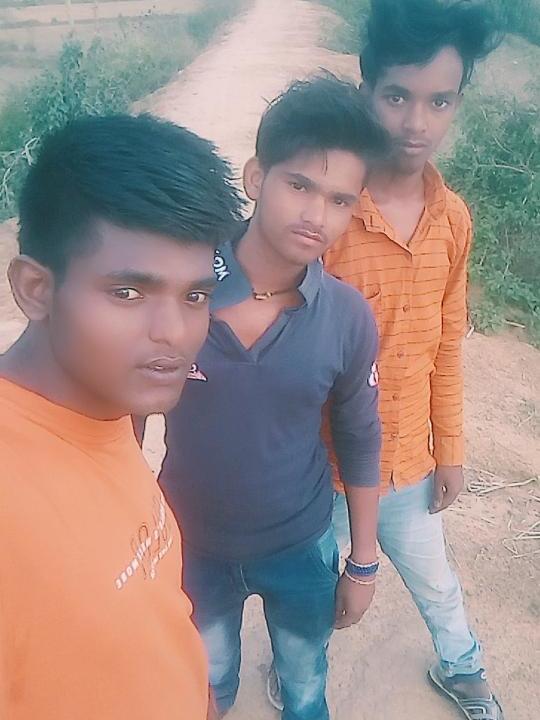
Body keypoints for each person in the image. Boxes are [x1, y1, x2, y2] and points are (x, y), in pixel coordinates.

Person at [142, 76, 389, 720]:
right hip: (191, 540)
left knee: (305, 689)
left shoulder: (347, 316)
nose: (316, 215)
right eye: (299, 185)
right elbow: (128, 417)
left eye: (339, 200)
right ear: (257, 177)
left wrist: (363, 563)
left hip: (301, 545)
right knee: (204, 686)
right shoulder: (183, 290)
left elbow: (361, 436)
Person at [0, 114, 243, 720]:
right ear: (36, 289)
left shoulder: (100, 408)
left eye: (194, 296)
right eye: (128, 293)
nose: (174, 333)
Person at [325, 1, 504, 719]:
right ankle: (299, 666)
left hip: (409, 464)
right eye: (397, 96)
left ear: (458, 103)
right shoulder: (330, 215)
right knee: (317, 587)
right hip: (323, 468)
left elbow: (445, 346)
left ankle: (462, 667)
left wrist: (449, 447)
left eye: (440, 101)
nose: (416, 122)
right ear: (366, 88)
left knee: (437, 583)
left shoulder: (452, 220)